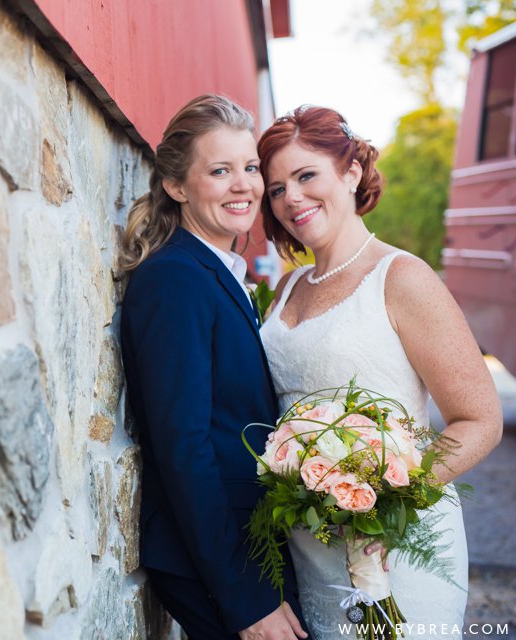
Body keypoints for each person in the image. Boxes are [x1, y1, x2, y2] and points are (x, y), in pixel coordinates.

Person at [257, 105, 503, 639]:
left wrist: (388, 505)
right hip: (310, 546)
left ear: (349, 172)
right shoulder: (288, 288)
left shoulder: (402, 278)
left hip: (395, 545)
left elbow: (479, 419)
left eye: (305, 176)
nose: (291, 198)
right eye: (276, 189)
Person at [119, 94, 308, 640]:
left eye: (249, 168)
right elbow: (185, 448)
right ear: (177, 186)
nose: (243, 185)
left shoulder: (217, 269)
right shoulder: (175, 279)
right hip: (217, 566)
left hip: (249, 547)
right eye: (219, 170)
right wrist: (247, 599)